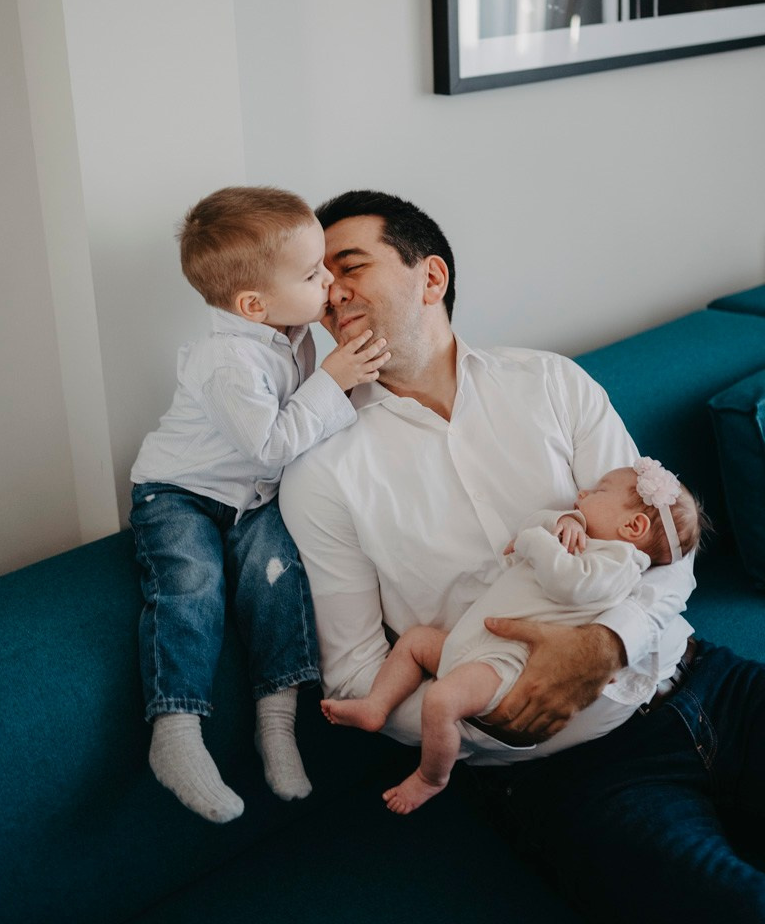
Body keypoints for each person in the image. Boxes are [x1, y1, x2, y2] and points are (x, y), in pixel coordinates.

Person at [280, 189, 765, 922]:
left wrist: (607, 643)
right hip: (568, 770)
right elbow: (354, 674)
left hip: (702, 679)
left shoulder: (551, 383)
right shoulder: (321, 473)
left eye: (350, 265)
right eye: (321, 279)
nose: (331, 292)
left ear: (430, 277)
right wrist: (498, 707)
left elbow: (664, 545)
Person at [129, 186, 390, 824]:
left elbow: (303, 431)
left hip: (252, 498)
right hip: (180, 494)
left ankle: (276, 722)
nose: (329, 281)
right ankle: (176, 730)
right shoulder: (227, 361)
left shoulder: (290, 329)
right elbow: (272, 446)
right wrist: (333, 381)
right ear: (253, 304)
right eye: (313, 273)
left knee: (278, 579)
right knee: (190, 585)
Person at [321, 458, 705, 814]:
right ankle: (377, 705)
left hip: (506, 664)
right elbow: (535, 527)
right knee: (416, 641)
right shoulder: (584, 536)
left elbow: (570, 583)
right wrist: (563, 520)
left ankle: (431, 777)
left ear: (633, 528)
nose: (584, 492)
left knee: (441, 701)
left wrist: (535, 542)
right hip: (473, 644)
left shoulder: (619, 564)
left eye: (600, 491)